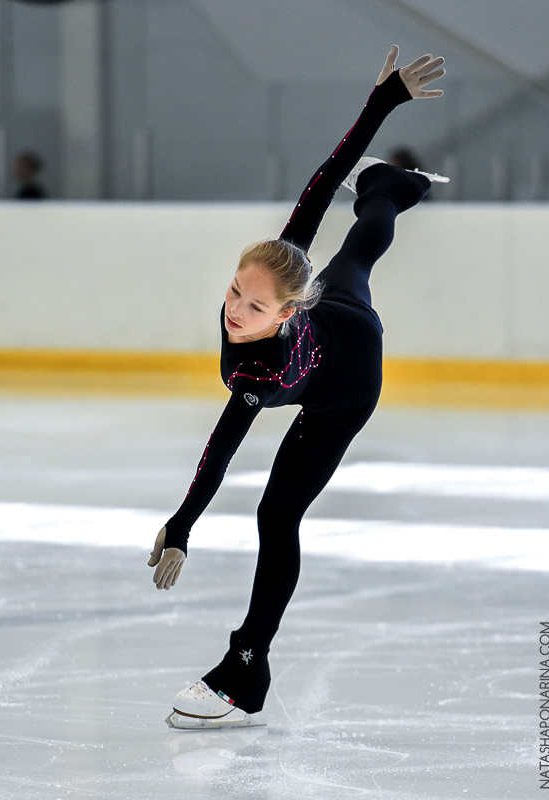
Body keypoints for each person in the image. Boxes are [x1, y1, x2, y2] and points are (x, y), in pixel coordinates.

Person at [149, 46, 447, 729]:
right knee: (354, 247)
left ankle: (245, 667)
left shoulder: (260, 371)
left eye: (252, 308)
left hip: (346, 381)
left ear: (285, 311)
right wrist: (382, 99)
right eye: (233, 292)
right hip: (323, 319)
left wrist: (182, 524)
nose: (233, 311)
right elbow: (324, 177)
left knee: (275, 516)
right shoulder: (270, 290)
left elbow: (222, 448)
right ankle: (390, 186)